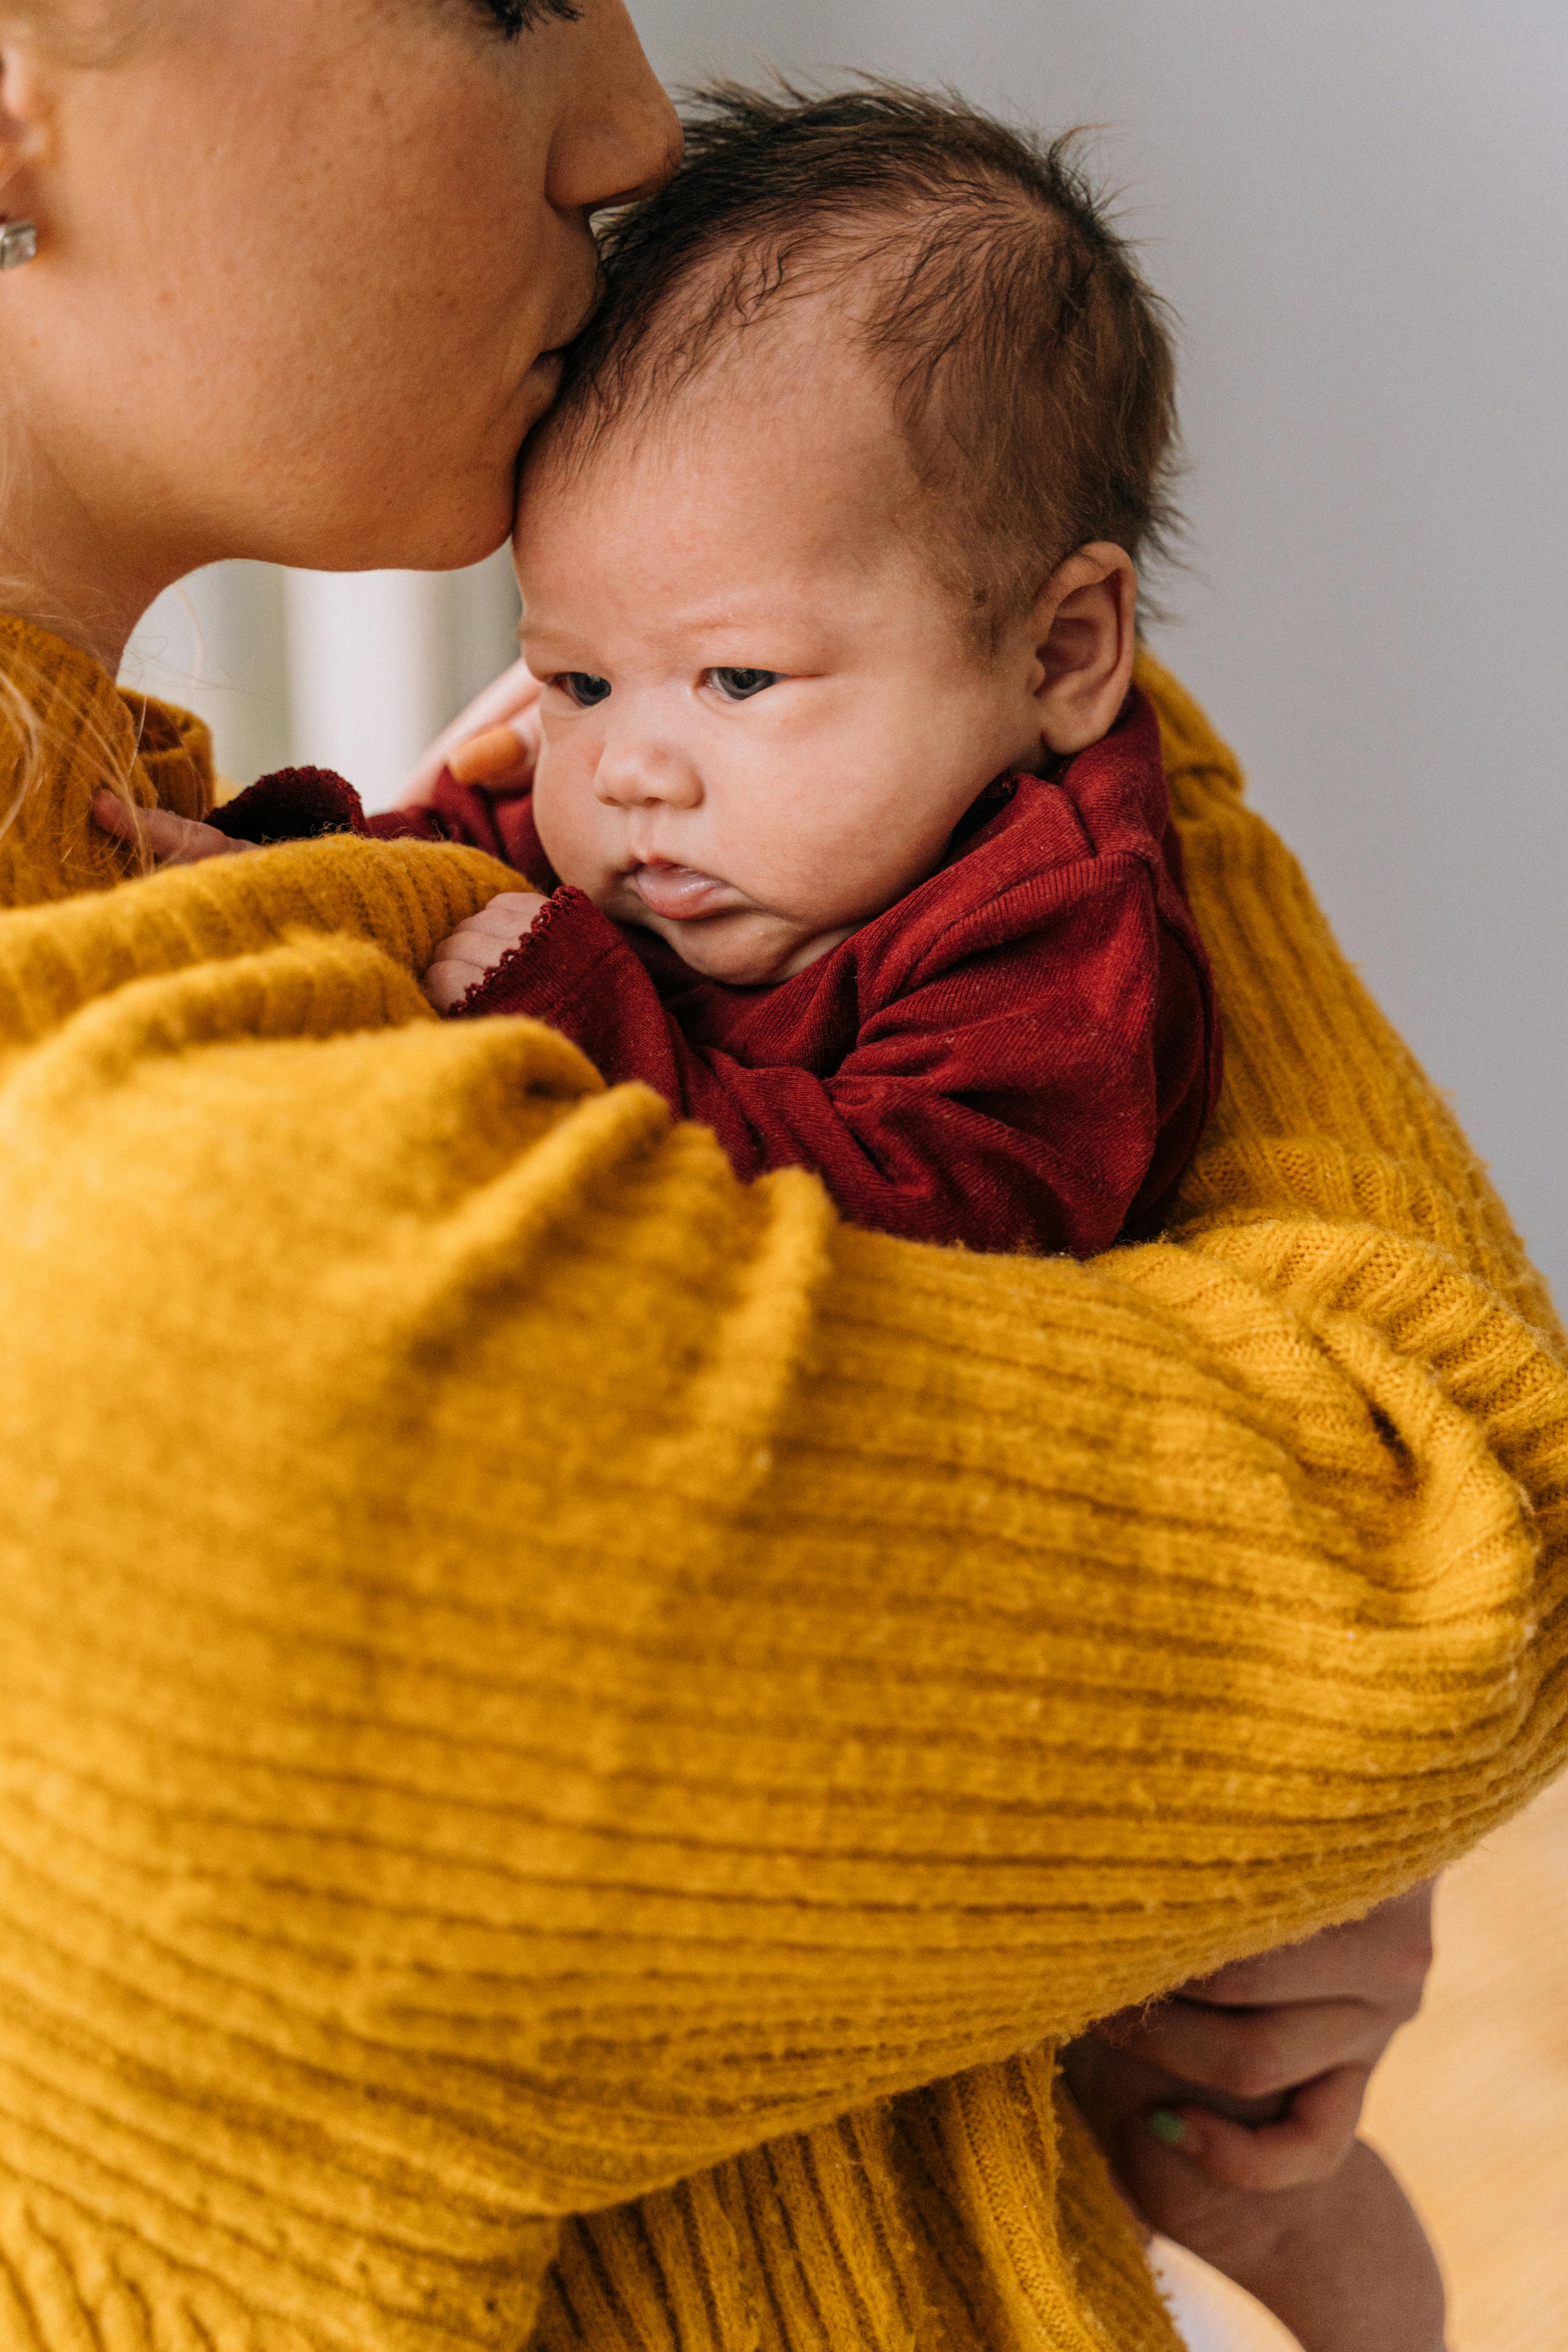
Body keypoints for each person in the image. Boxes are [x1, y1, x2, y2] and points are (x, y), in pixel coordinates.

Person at [0, 9, 1562, 2352]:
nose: (628, 121)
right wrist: (1238, 1770)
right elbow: (1443, 1527)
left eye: (727, 683)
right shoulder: (195, 1222)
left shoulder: (144, 883)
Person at [139, 91, 1225, 1260]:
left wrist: (579, 1024)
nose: (631, 772)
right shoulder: (627, 831)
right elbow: (438, 883)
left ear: (1061, 652)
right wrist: (287, 889)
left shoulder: (1047, 924)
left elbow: (935, 1231)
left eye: (741, 680)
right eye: (579, 683)